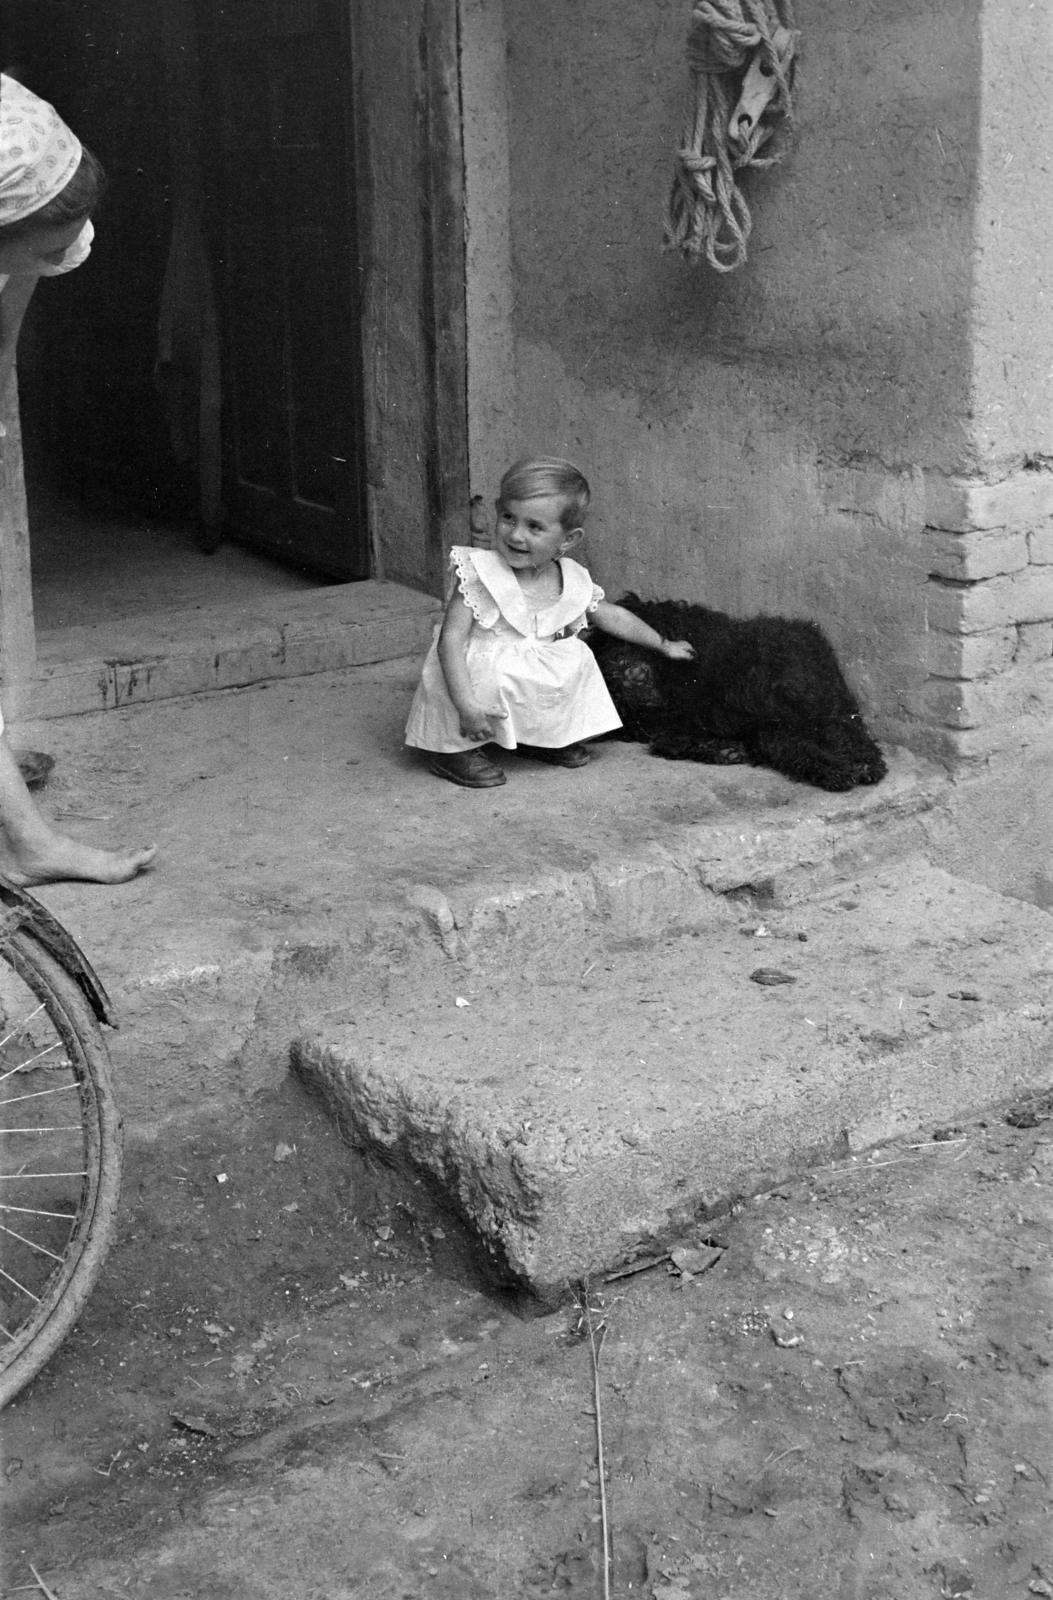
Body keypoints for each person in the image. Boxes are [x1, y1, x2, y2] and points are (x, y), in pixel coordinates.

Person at [0, 73, 155, 883]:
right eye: (48, 238)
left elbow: (4, 333)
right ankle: (26, 841)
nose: (73, 247)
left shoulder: (38, 224)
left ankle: (24, 843)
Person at [405, 456, 695, 788]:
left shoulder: (570, 578)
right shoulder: (481, 573)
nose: (515, 535)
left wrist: (662, 644)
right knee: (491, 670)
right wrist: (467, 706)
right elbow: (451, 641)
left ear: (568, 540)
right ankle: (453, 749)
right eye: (508, 518)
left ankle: (539, 737)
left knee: (575, 658)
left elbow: (612, 615)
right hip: (474, 673)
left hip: (522, 669)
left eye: (534, 527)